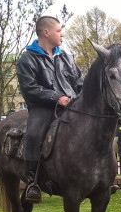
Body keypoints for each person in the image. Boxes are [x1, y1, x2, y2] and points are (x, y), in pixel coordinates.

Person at [16, 16, 83, 202]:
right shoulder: (27, 59)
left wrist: (82, 99)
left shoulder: (66, 57)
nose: (62, 34)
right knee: (34, 134)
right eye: (59, 31)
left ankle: (100, 176)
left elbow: (79, 82)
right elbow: (29, 89)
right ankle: (32, 182)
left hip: (72, 105)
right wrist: (56, 98)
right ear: (46, 32)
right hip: (43, 107)